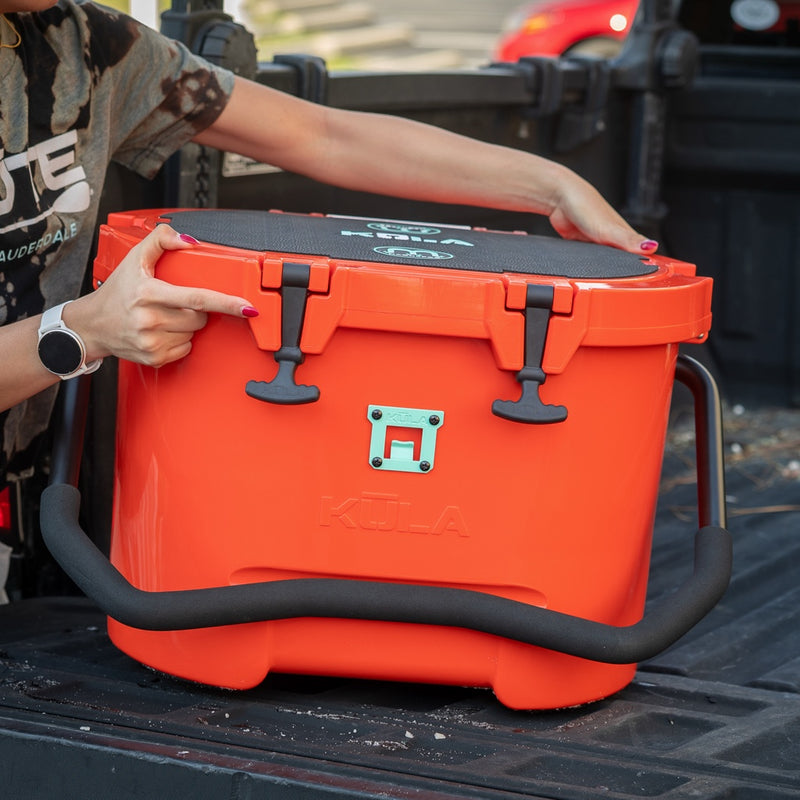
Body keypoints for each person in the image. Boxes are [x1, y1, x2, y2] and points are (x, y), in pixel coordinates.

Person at [0, 0, 656, 481]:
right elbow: (78, 333)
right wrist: (79, 330)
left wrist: (552, 186)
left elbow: (320, 136)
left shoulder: (85, 43)